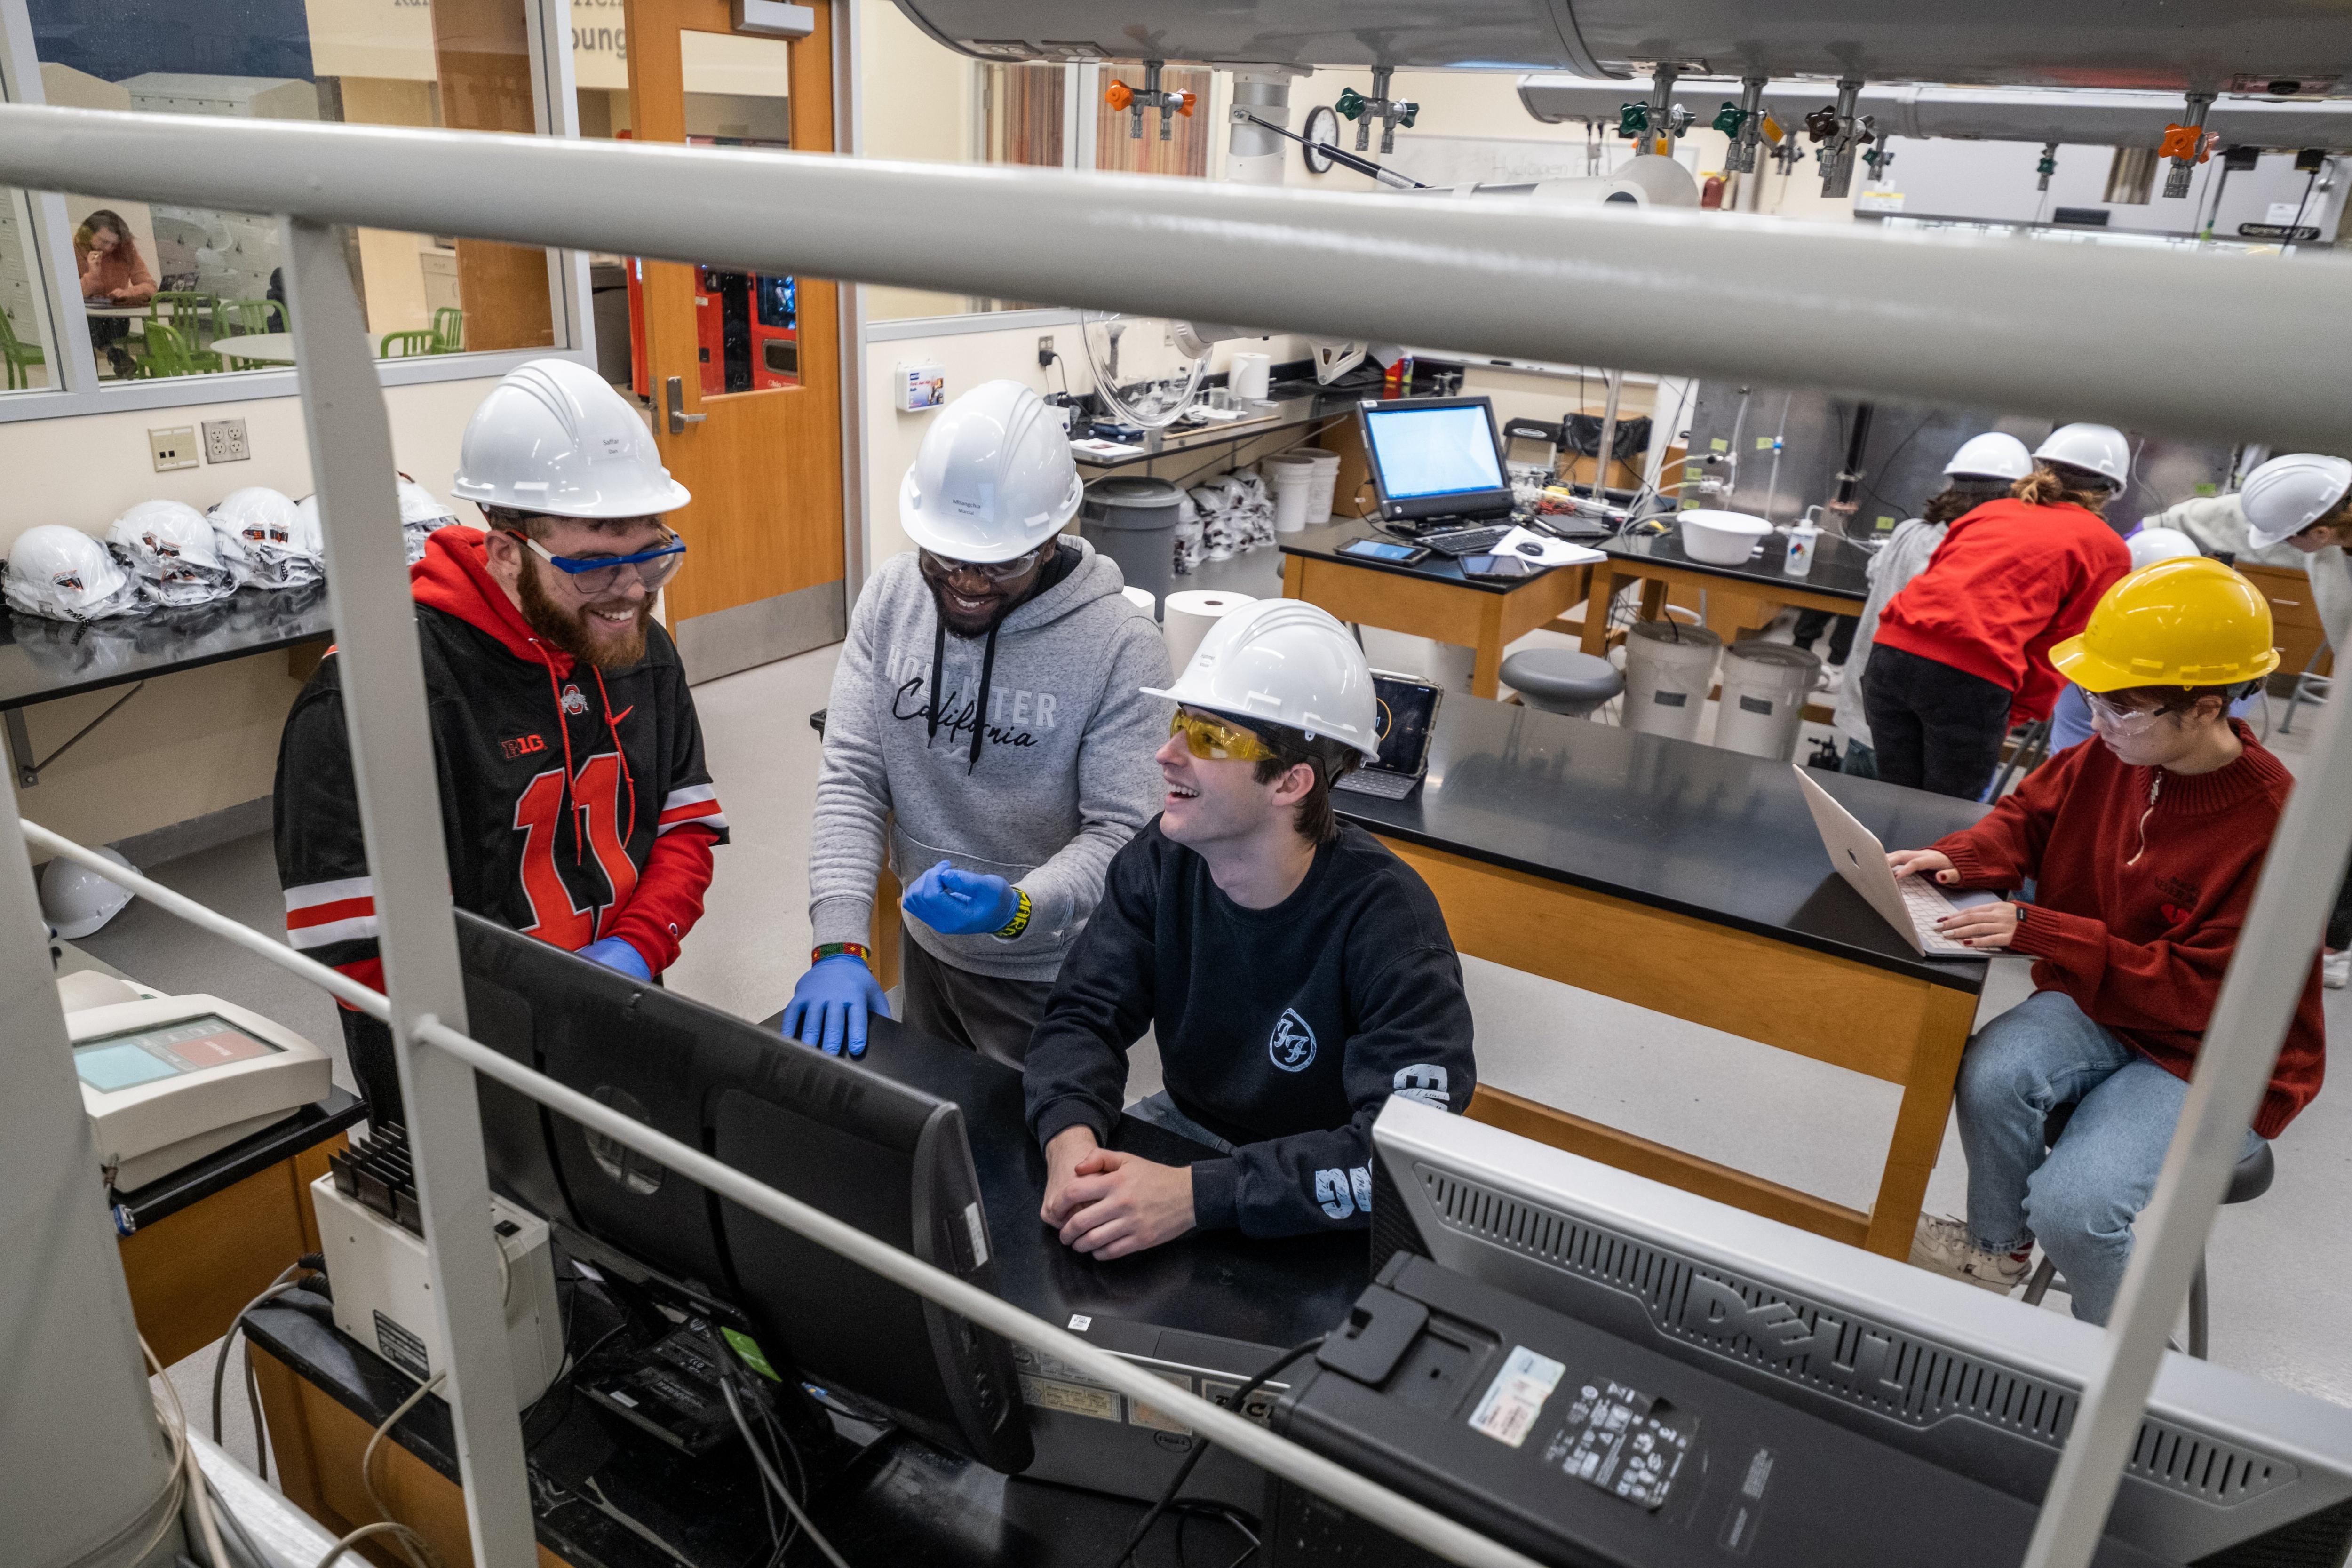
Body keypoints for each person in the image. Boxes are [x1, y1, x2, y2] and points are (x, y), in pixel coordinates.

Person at [274, 359, 726, 1122]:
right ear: (507, 550)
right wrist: (534, 1019)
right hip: (464, 1075)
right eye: (593, 565)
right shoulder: (372, 696)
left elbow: (685, 826)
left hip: (618, 1016)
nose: (632, 592)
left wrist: (636, 951)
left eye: (651, 555)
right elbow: (359, 946)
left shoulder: (637, 646)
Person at [1899, 557, 2324, 1323]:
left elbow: (2203, 994)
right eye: (2094, 696)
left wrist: (2047, 930)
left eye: (2125, 705)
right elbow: (2028, 815)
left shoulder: (2274, 824)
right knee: (1991, 1072)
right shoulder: (2116, 751)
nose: (2100, 720)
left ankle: (2126, 1385)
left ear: (2205, 707)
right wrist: (1963, 857)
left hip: (2212, 1051)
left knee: (2075, 1208)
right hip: (2109, 999)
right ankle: (1996, 1247)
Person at [1023, 600, 1478, 1258]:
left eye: (1210, 739)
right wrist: (1070, 1138)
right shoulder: (1159, 861)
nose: (1167, 753)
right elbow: (1082, 1016)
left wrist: (1198, 1197)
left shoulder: (1391, 923)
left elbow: (1400, 1156)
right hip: (1184, 1133)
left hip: (1322, 1187)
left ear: (1291, 782)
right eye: (1181, 723)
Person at [785, 380, 1171, 1063]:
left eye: (1002, 564)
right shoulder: (891, 600)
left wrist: (1016, 910)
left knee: (1025, 1156)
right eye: (944, 557)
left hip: (1054, 974)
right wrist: (841, 940)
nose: (967, 581)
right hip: (927, 948)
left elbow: (1122, 835)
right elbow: (853, 777)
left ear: (1053, 537)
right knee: (938, 1144)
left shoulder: (1121, 643)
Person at [1865, 424, 2136, 799]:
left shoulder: (1992, 512)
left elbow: (1938, 580)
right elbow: (2062, 644)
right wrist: (2016, 713)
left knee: (1896, 800)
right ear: (2108, 493)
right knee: (1948, 818)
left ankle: (1874, 858)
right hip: (1968, 678)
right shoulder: (2107, 548)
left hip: (1888, 661)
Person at [1834, 432, 2034, 778]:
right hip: (1917, 732)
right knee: (1912, 823)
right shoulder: (1982, 556)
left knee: (1848, 817)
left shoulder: (1910, 531)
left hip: (1866, 708)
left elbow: (1874, 572)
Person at [2242, 452, 2352, 989]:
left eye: (2292, 540)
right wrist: (2160, 528)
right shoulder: (2327, 516)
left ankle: (2331, 947)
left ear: (2323, 530)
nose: (2287, 550)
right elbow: (2230, 516)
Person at [74, 210, 155, 379]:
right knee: (85, 325)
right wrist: (93, 275)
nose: (110, 248)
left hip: (117, 319)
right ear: (87, 234)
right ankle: (112, 354)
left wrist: (129, 292)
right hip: (84, 320)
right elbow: (71, 295)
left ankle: (112, 353)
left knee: (90, 328)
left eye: (114, 244)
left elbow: (150, 286)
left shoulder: (125, 250)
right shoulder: (73, 249)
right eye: (104, 241)